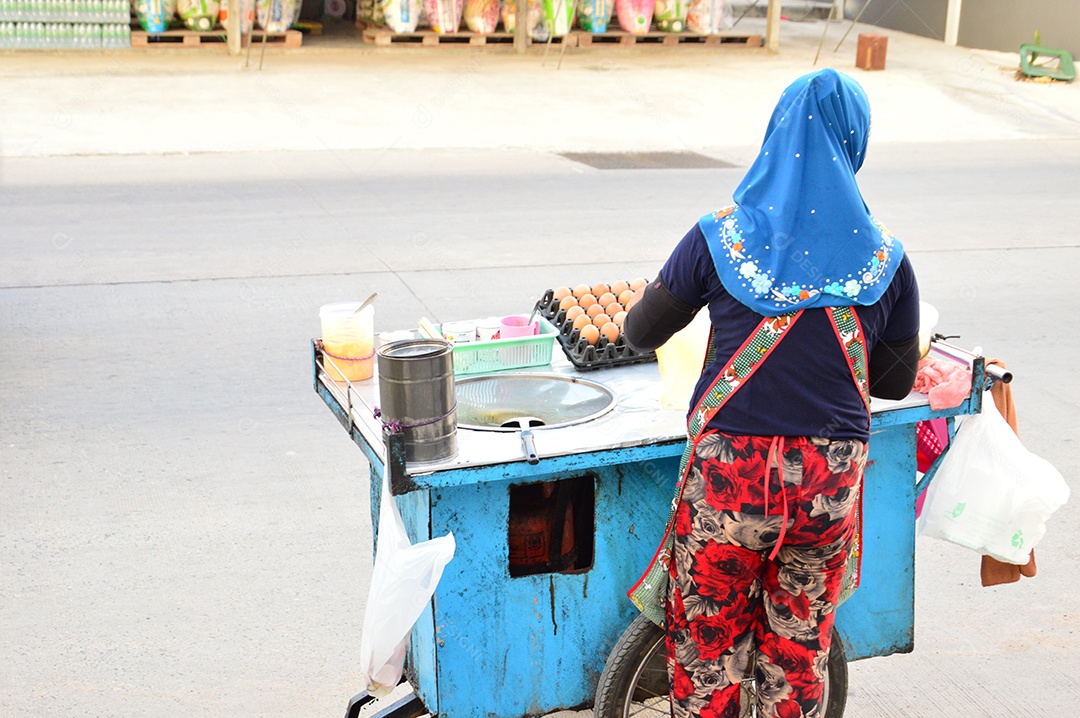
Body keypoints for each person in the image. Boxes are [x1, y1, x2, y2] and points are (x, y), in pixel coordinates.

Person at [623, 69, 921, 718]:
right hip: (826, 486)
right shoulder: (887, 261)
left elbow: (639, 330)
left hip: (730, 479)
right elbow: (895, 383)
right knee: (798, 652)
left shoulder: (717, 238)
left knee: (708, 649)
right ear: (853, 142)